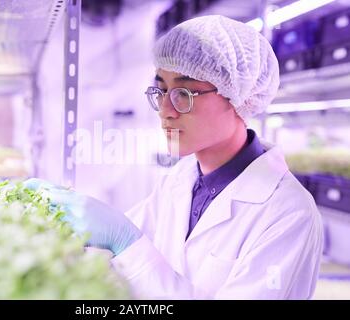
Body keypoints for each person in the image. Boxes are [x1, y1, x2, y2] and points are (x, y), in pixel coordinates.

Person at [25, 15, 323, 299]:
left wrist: (124, 242)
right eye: (161, 89)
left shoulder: (288, 214)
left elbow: (128, 245)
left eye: (184, 93)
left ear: (238, 96)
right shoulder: (180, 179)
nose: (165, 110)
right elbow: (117, 257)